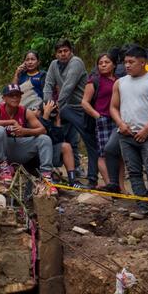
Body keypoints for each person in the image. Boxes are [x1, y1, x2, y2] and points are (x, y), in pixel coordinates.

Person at [109, 46, 148, 222]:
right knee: (134, 171)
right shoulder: (120, 83)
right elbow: (113, 107)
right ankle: (142, 206)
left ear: (142, 62)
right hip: (126, 134)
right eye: (125, 62)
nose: (127, 65)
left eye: (131, 62)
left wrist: (147, 129)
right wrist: (121, 124)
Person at [43, 39, 98, 186]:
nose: (63, 54)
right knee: (59, 137)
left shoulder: (76, 62)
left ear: (71, 51)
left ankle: (92, 178)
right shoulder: (54, 65)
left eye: (65, 51)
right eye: (59, 52)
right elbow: (48, 84)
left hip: (81, 108)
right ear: (56, 54)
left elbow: (68, 87)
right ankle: (58, 171)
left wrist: (56, 106)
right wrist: (48, 104)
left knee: (88, 140)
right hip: (66, 108)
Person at [0, 84, 56, 190]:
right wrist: (11, 121)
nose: (15, 98)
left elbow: (42, 130)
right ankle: (2, 167)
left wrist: (24, 131)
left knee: (44, 139)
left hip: (16, 148)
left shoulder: (25, 111)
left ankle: (46, 176)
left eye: (17, 95)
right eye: (11, 95)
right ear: (4, 98)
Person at [81, 52, 118, 187]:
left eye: (106, 62)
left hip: (118, 120)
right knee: (103, 153)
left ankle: (119, 186)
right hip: (103, 120)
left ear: (114, 64)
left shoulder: (119, 80)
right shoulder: (94, 81)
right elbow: (84, 102)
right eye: (100, 63)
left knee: (117, 154)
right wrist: (98, 116)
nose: (103, 65)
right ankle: (110, 184)